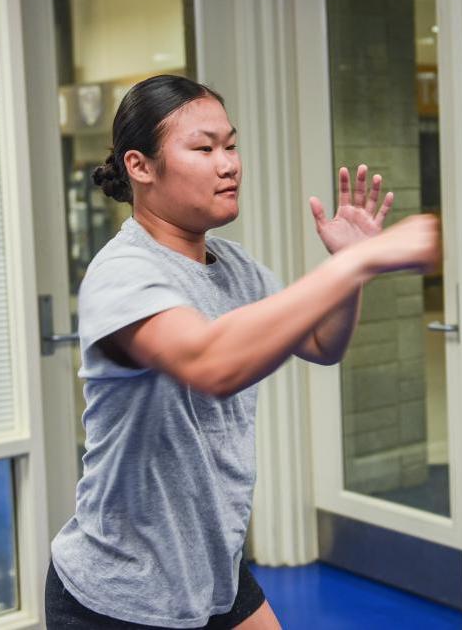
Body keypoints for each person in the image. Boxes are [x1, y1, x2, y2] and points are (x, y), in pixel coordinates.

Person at [44, 74, 439, 629]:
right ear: (140, 166)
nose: (228, 163)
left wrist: (346, 270)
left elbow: (324, 344)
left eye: (230, 145)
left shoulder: (236, 266)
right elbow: (211, 364)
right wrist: (359, 264)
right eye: (203, 149)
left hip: (210, 567)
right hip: (122, 591)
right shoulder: (122, 274)